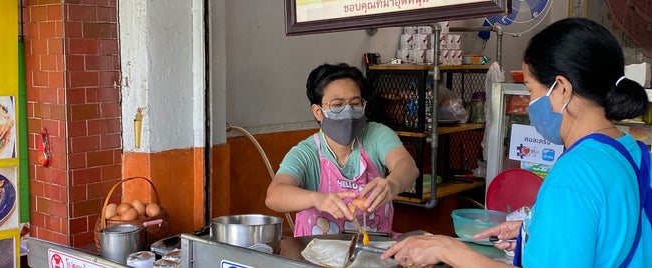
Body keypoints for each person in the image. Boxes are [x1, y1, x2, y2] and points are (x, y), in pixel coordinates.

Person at [382, 17, 651, 267]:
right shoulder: (633, 152)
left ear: (563, 89)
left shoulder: (575, 173)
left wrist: (448, 250)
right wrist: (534, 230)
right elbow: (607, 233)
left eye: (531, 90)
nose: (530, 103)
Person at [265, 63, 420, 237]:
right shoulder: (306, 153)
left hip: (374, 251)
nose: (348, 111)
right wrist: (316, 199)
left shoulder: (376, 135)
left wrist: (393, 184)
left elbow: (406, 165)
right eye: (337, 105)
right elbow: (274, 194)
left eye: (355, 103)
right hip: (316, 255)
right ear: (318, 112)